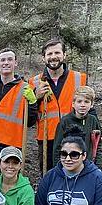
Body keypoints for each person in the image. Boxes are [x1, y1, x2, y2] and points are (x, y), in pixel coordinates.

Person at [29, 38, 91, 173]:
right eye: (49, 54)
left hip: (75, 136)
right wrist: (36, 98)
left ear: (64, 55)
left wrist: (100, 134)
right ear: (43, 58)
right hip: (47, 139)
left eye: (57, 53)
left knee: (75, 175)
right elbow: (29, 118)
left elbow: (89, 108)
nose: (53, 57)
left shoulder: (79, 78)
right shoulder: (34, 82)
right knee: (50, 176)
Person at [0, 48, 38, 178]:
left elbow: (30, 122)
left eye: (9, 59)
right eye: (2, 60)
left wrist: (32, 103)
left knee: (9, 181)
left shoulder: (25, 88)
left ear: (16, 63)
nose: (6, 63)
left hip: (12, 143)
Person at [53, 86, 102, 168]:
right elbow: (57, 148)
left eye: (86, 102)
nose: (82, 105)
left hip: (88, 165)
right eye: (79, 101)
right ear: (73, 104)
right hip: (70, 165)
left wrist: (98, 166)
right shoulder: (65, 121)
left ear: (91, 105)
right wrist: (58, 169)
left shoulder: (93, 120)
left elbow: (98, 145)